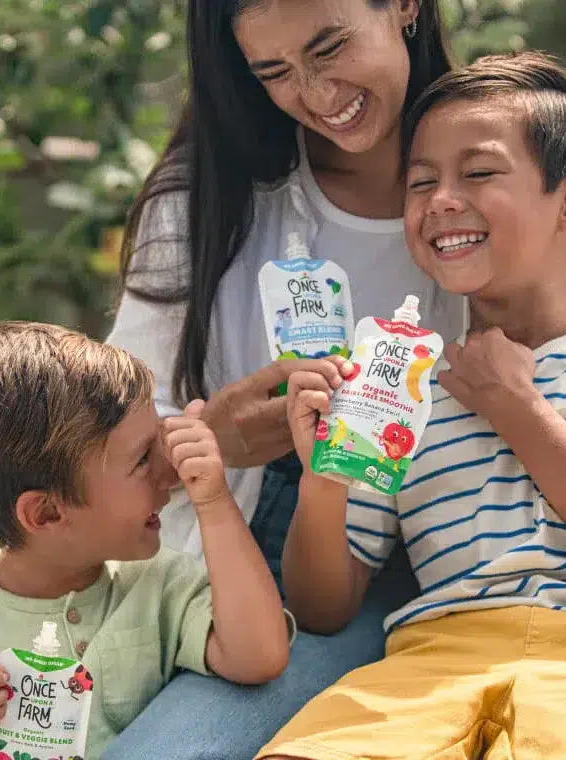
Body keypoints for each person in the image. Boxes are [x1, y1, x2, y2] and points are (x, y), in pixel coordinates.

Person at [105, 0, 465, 757]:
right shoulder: (208, 197)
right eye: (274, 72)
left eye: (330, 46)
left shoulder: (500, 172)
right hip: (222, 554)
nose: (318, 94)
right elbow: (114, 427)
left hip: (422, 559)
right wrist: (212, 440)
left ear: (404, 6)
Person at [255, 50, 566, 760]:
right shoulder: (394, 385)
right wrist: (324, 480)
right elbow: (324, 609)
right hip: (427, 672)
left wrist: (517, 407)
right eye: (420, 183)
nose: (440, 200)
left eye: (479, 172)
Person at [0, 322, 293, 760]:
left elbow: (261, 656)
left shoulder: (161, 585)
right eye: (141, 460)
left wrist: (212, 499)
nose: (165, 470)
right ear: (47, 513)